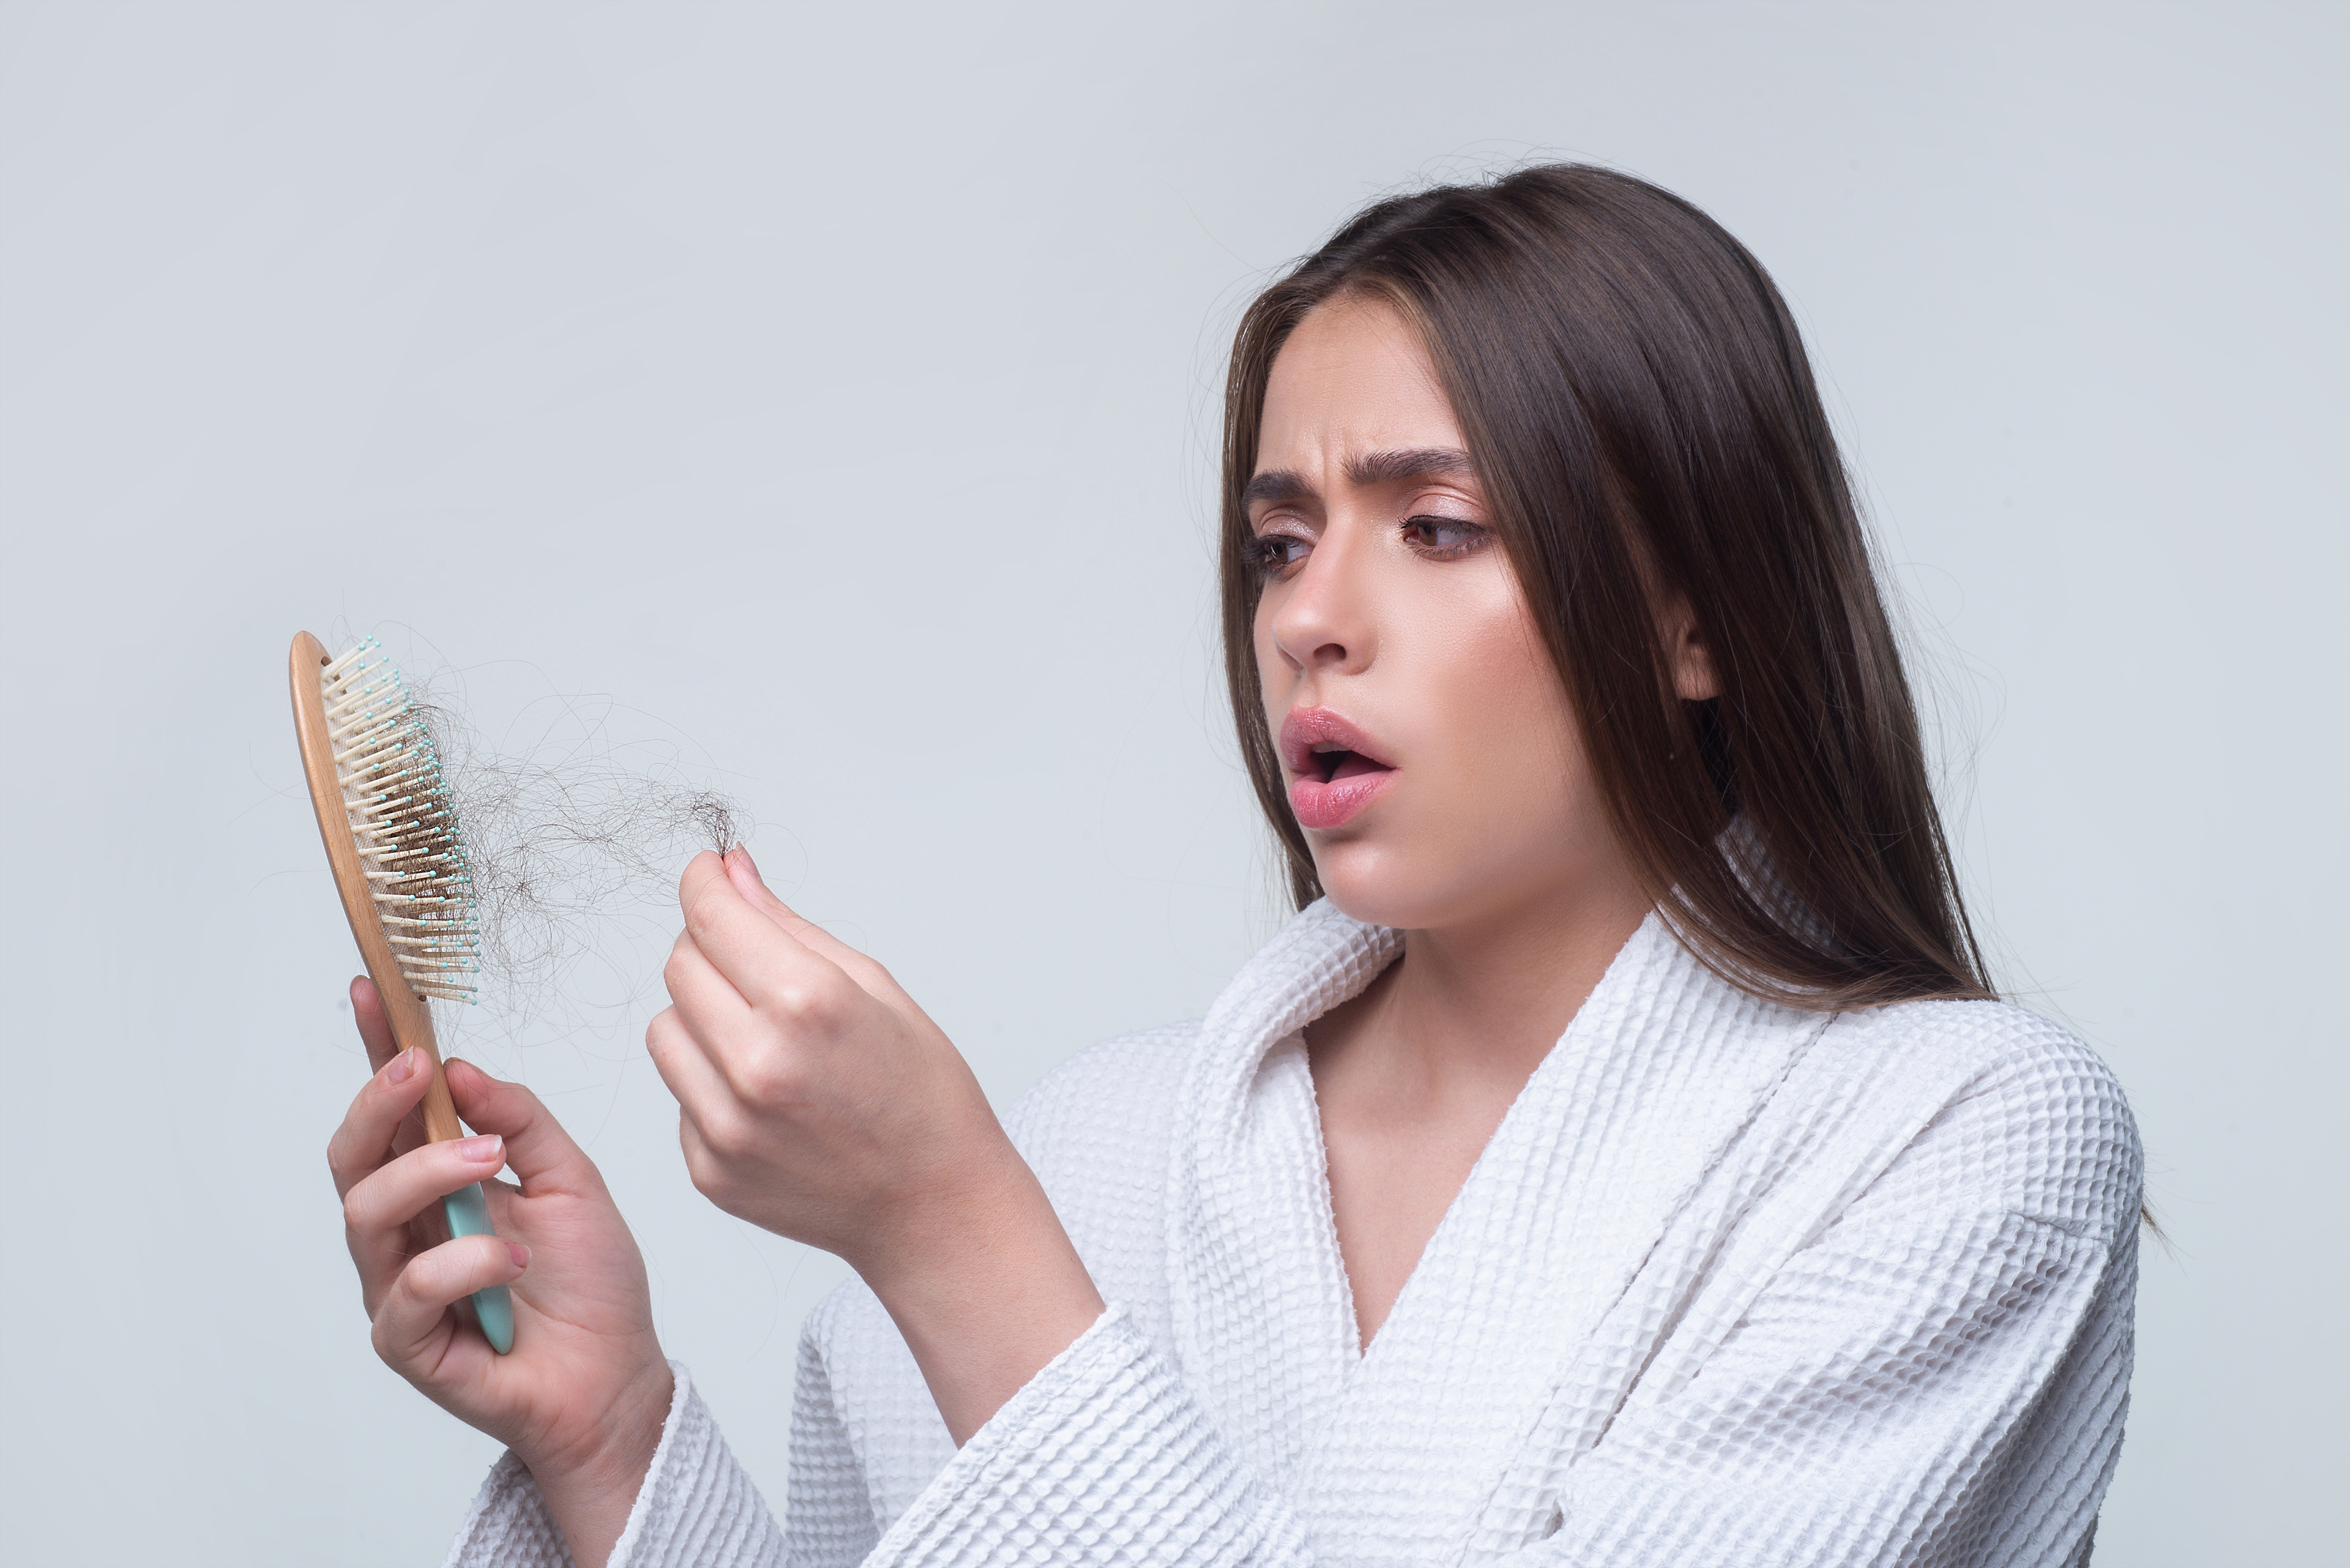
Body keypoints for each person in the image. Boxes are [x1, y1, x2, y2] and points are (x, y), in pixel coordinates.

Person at [327, 165, 2140, 1567]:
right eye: (1280, 545)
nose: (1312, 623)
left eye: (1436, 527)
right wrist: (612, 1431)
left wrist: (959, 1240)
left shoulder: (1956, 1146)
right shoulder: (1099, 1147)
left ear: (1693, 621)